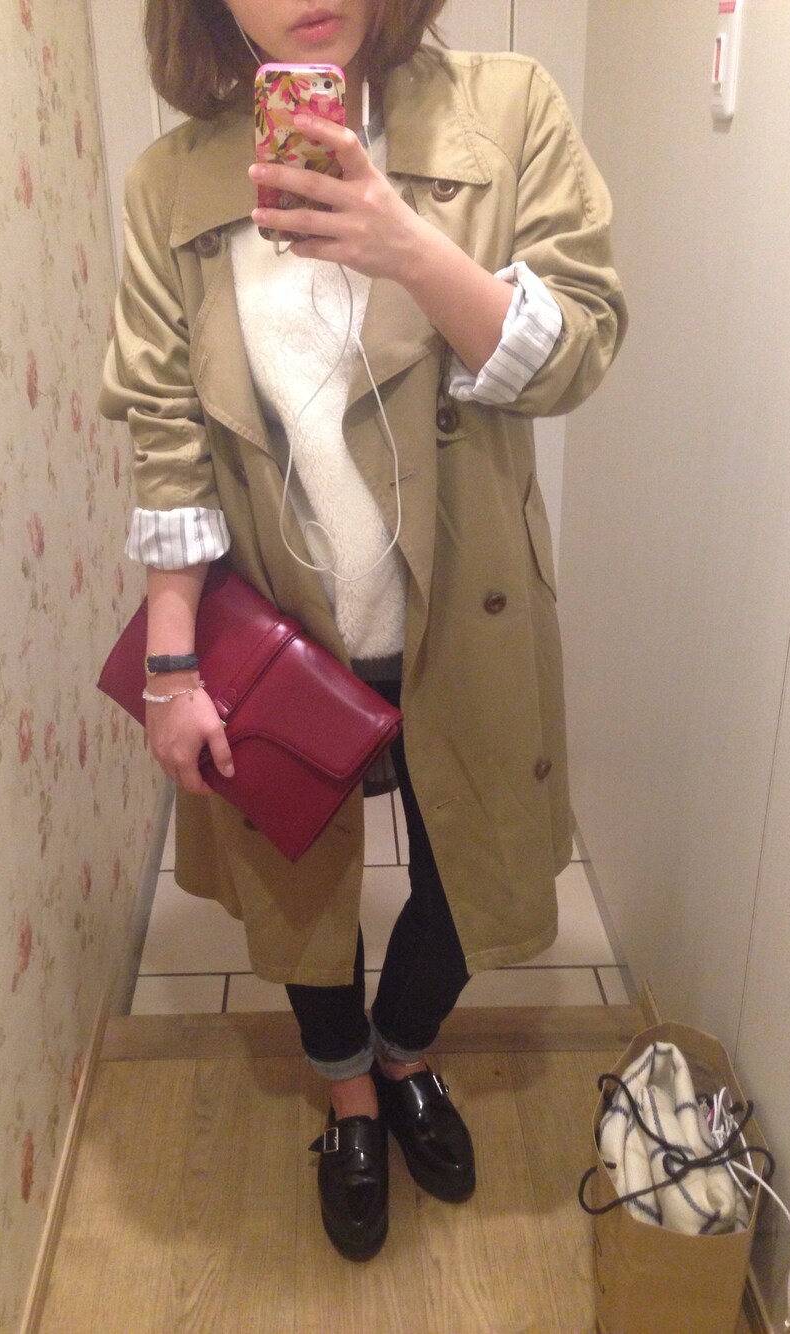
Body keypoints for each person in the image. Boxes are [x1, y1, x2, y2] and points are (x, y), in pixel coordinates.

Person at [100, 0, 626, 1261]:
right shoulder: (172, 183)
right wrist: (170, 665)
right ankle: (345, 1086)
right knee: (301, 870)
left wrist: (409, 248)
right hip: (281, 627)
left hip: (466, 614)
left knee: (467, 865)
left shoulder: (504, 111)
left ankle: (404, 1050)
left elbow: (577, 352)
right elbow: (168, 435)